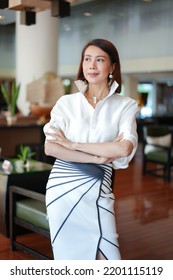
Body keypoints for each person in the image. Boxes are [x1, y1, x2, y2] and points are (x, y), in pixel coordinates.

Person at [43, 38, 139, 260]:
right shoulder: (66, 103)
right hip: (62, 187)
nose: (92, 65)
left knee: (109, 256)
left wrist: (72, 144)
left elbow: (124, 149)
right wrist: (98, 156)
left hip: (99, 186)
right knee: (69, 259)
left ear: (112, 67)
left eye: (100, 59)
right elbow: (50, 148)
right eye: (87, 59)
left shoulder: (126, 105)